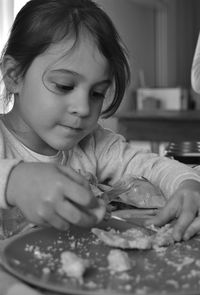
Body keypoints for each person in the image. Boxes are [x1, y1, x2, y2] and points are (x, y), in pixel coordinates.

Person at [1, 0, 200, 245]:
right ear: (14, 76)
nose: (84, 108)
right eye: (64, 86)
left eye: (96, 93)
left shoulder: (93, 143)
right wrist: (13, 179)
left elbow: (152, 166)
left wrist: (188, 184)